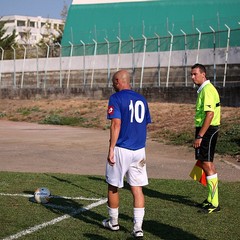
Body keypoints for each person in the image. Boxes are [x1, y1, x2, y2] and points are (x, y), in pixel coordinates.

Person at [102, 70, 151, 238]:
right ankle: (138, 228)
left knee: (113, 185)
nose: (112, 85)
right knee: (137, 188)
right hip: (139, 150)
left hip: (121, 148)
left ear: (117, 81)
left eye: (112, 82)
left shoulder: (116, 98)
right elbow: (145, 125)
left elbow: (116, 124)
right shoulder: (142, 99)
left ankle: (113, 222)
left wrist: (111, 148)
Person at [191, 63, 221, 214]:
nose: (192, 77)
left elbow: (210, 115)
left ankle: (214, 203)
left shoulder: (208, 90)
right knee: (204, 162)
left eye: (195, 74)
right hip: (204, 129)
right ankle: (210, 198)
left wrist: (200, 135)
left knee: (207, 164)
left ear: (203, 74)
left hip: (208, 130)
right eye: (192, 74)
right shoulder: (203, 89)